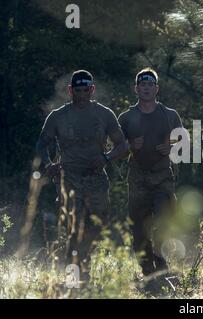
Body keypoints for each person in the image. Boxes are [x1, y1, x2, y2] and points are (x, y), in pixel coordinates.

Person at [36, 70, 127, 279]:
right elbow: (41, 144)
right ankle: (74, 279)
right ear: (70, 91)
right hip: (69, 178)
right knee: (74, 229)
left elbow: (122, 145)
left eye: (86, 90)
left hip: (96, 179)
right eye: (78, 90)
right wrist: (49, 164)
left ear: (92, 90)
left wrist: (106, 158)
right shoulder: (58, 116)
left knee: (97, 226)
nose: (82, 94)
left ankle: (83, 265)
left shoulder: (105, 114)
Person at [118, 68, 185, 276]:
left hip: (163, 176)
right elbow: (115, 149)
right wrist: (130, 145)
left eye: (150, 85)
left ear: (157, 89)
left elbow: (185, 142)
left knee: (165, 219)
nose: (146, 89)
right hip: (137, 178)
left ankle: (161, 262)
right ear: (136, 89)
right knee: (139, 228)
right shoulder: (126, 117)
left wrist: (173, 149)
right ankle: (147, 270)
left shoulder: (169, 115)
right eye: (142, 85)